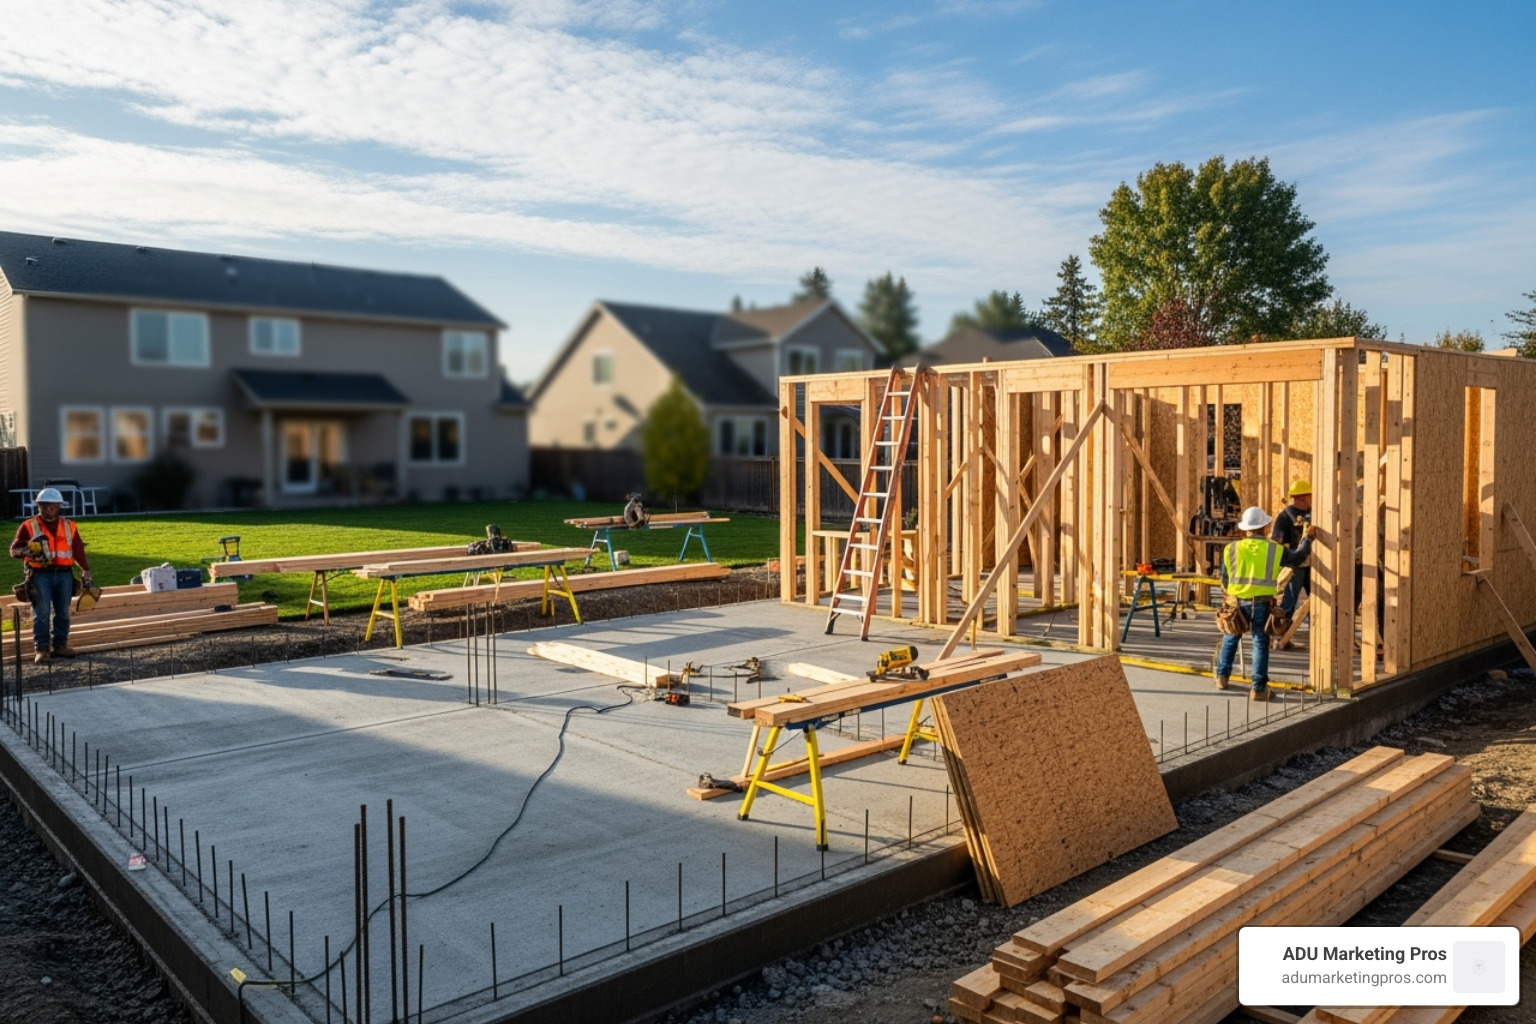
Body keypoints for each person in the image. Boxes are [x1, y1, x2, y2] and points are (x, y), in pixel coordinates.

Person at [1217, 506, 1315, 701]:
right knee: (1260, 643)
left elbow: (1225, 579)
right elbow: (1297, 557)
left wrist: (1231, 595)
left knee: (1230, 639)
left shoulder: (1231, 549)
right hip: (1262, 604)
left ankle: (1222, 677)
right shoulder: (1274, 549)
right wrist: (1308, 539)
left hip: (1236, 603)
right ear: (1265, 527)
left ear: (1245, 528)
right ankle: (1259, 689)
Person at [10, 487, 92, 663]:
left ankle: (60, 646)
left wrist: (85, 569)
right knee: (42, 613)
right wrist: (27, 551)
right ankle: (42, 649)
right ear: (39, 506)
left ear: (59, 506)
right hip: (39, 575)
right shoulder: (28, 526)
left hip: (64, 575)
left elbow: (77, 549)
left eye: (52, 506)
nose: (49, 510)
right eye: (45, 506)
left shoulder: (69, 526)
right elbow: (14, 550)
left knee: (63, 612)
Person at [1272, 480, 1312, 618]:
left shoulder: (1313, 514)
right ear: (1304, 497)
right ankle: (1280, 636)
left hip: (1313, 566)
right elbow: (1278, 544)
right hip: (1294, 568)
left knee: (1320, 603)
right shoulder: (1284, 517)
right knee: (1288, 604)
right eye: (1310, 496)